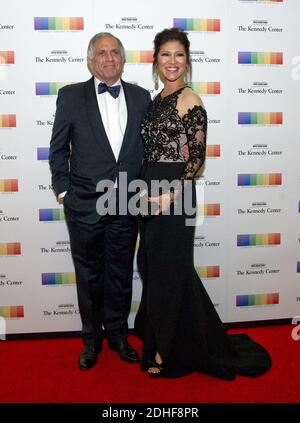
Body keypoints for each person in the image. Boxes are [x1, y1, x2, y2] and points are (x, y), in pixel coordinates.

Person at [134, 28, 272, 380]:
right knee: (155, 267)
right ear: (155, 59)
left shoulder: (190, 99)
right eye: (165, 54)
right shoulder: (158, 97)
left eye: (179, 55)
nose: (172, 61)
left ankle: (168, 352)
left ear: (188, 60)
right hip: (150, 191)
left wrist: (171, 194)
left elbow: (196, 158)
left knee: (168, 272)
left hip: (175, 193)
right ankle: (173, 339)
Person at [49, 32, 151, 370]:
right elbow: (58, 149)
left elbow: (146, 152)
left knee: (120, 273)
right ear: (91, 61)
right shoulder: (71, 96)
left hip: (126, 203)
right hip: (84, 205)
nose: (109, 58)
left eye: (115, 53)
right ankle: (91, 340)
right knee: (89, 274)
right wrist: (64, 192)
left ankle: (118, 335)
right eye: (102, 53)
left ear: (123, 59)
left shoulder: (140, 97)